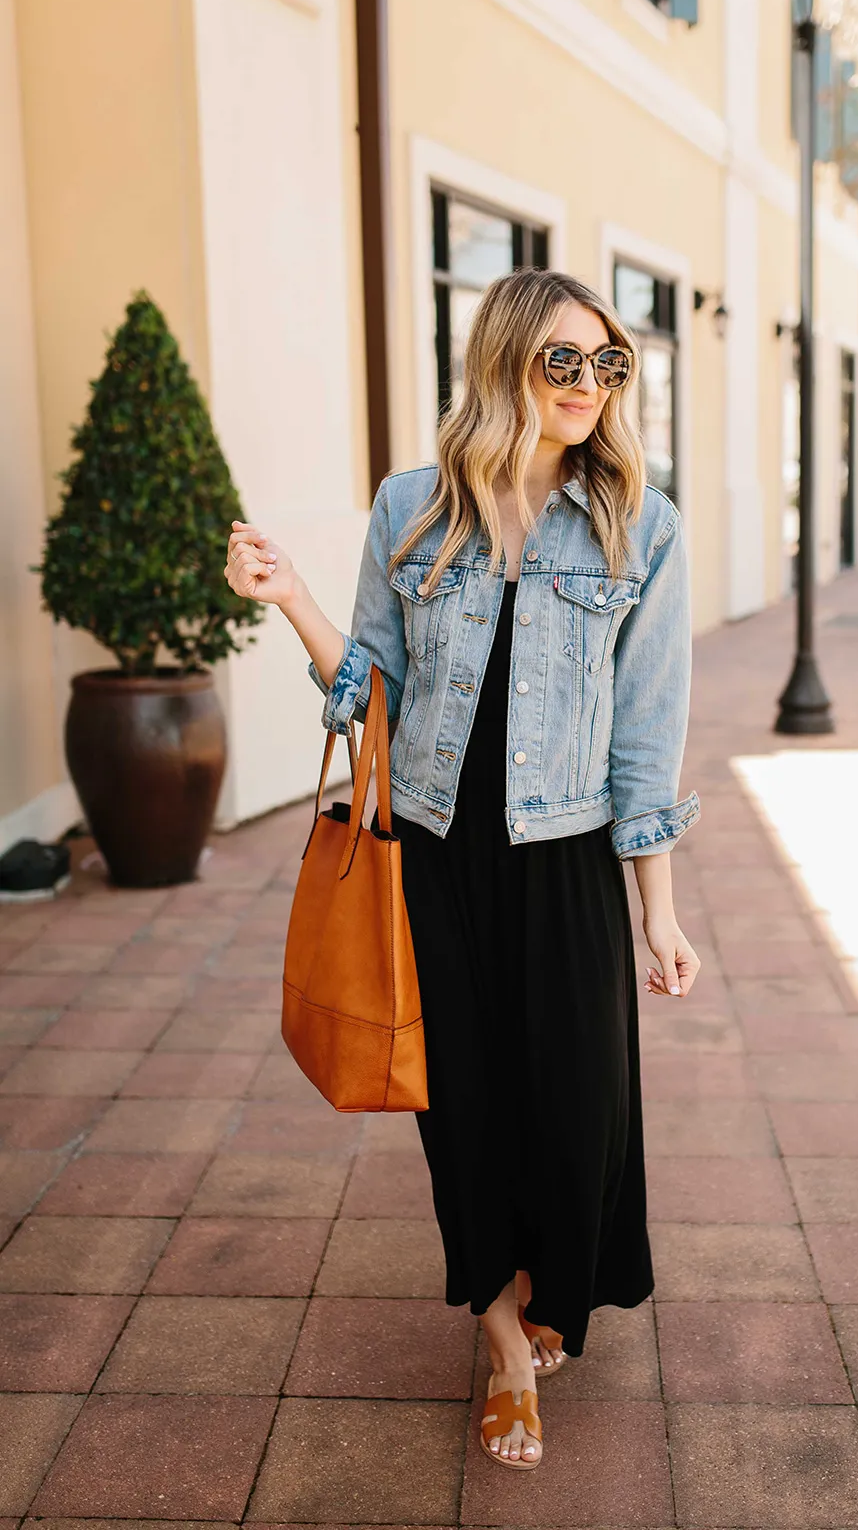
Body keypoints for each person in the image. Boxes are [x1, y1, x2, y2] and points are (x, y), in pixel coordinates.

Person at [225, 267, 700, 1471]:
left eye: (608, 363)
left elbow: (648, 733)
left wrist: (657, 909)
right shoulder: (413, 506)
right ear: (503, 363)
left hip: (568, 856)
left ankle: (542, 1291)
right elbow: (371, 688)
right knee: (465, 1112)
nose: (588, 384)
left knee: (579, 1112)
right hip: (437, 854)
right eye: (561, 360)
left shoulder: (639, 523)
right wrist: (291, 599)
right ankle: (501, 1346)